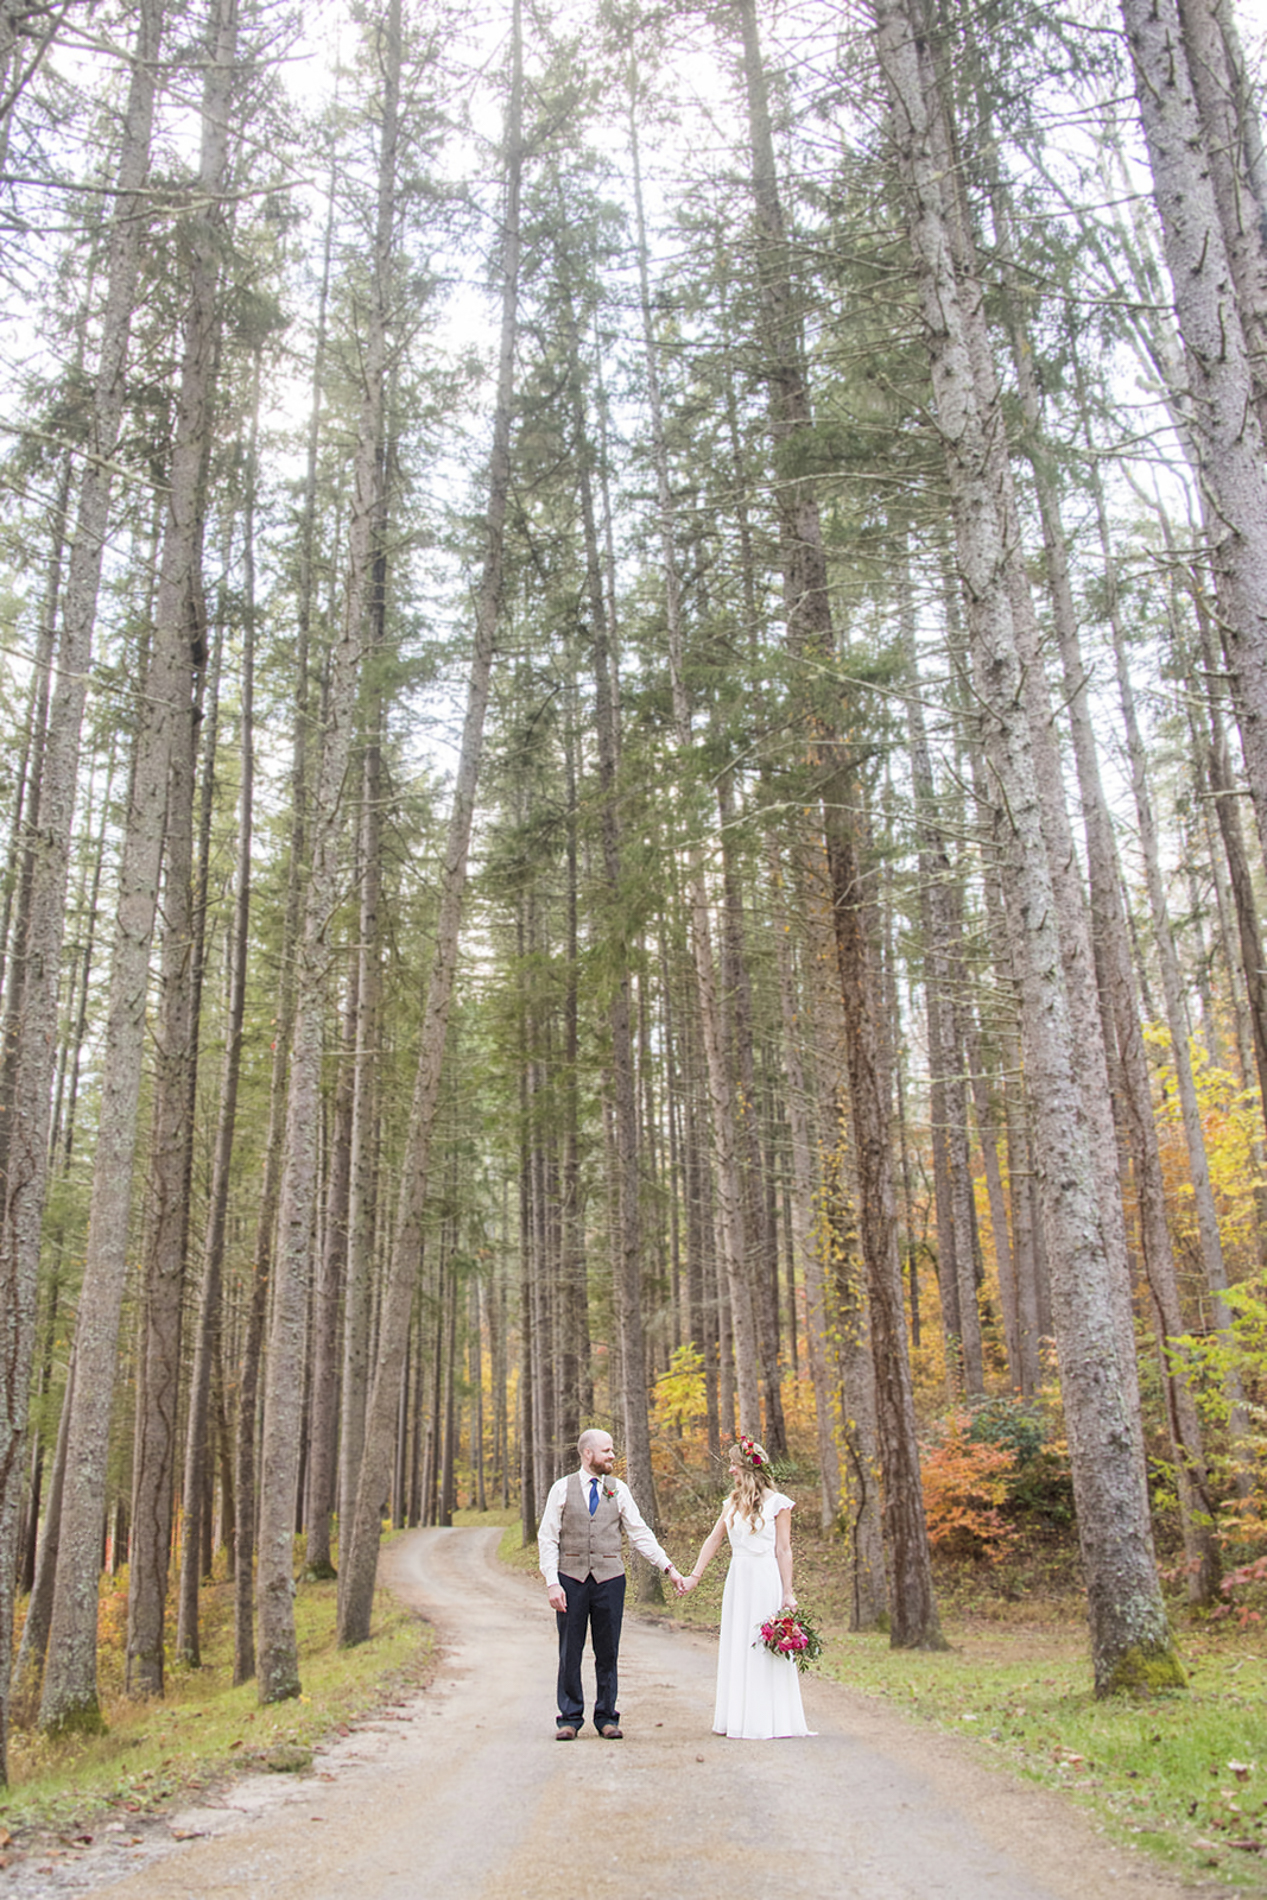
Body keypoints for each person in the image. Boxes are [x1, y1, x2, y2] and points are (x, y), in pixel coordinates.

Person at [538, 1427, 686, 1740]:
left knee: (608, 1651)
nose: (613, 1456)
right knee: (570, 1650)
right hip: (570, 1579)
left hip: (610, 1580)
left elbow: (640, 1533)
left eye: (613, 1450)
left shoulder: (618, 1490)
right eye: (607, 1450)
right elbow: (548, 1537)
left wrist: (668, 1568)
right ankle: (569, 1717)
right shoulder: (561, 1489)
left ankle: (607, 1716)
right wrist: (553, 1582)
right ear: (587, 1453)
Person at [679, 1434, 811, 1740]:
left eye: (734, 1465)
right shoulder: (732, 1503)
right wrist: (695, 1576)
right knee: (740, 1642)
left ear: (749, 1468)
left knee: (764, 1644)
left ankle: (768, 1719)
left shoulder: (779, 1504)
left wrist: (788, 1592)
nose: (730, 1471)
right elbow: (714, 1539)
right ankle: (737, 1716)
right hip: (738, 1579)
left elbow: (783, 1549)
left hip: (765, 1578)